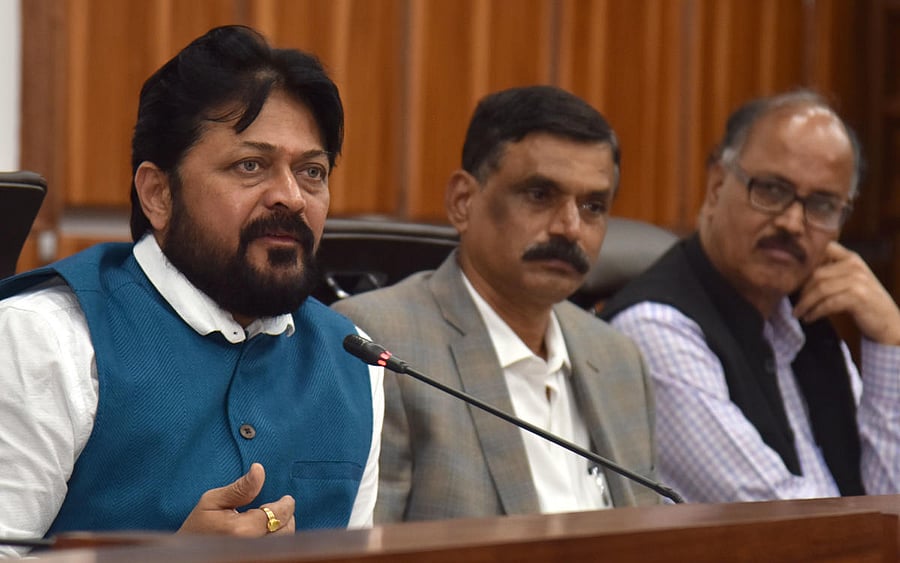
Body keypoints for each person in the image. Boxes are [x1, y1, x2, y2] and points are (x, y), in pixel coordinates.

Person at [0, 25, 383, 556]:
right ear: (158, 194)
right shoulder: (48, 337)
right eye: (251, 166)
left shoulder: (355, 362)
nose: (292, 198)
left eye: (312, 172)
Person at [333, 85, 659, 523]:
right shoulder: (379, 341)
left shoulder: (619, 359)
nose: (570, 227)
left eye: (593, 205)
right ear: (463, 201)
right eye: (540, 195)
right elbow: (362, 548)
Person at [601, 90, 900, 503]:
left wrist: (890, 340)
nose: (794, 223)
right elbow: (777, 525)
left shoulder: (805, 317)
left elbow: (890, 499)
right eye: (773, 191)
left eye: (822, 204)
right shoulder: (657, 330)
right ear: (717, 187)